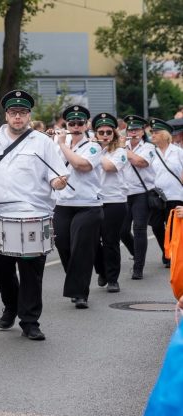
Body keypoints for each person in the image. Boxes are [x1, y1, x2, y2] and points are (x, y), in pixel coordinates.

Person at [0, 89, 68, 340]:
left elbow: (56, 176)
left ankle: (30, 321)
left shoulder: (42, 142)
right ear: (6, 115)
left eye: (23, 112)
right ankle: (11, 304)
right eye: (14, 112)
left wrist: (58, 182)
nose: (18, 117)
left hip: (32, 212)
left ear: (29, 115)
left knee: (31, 269)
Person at [53, 105, 103, 309]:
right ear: (66, 124)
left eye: (79, 123)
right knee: (63, 245)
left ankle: (80, 292)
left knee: (80, 248)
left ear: (86, 124)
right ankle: (75, 282)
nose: (75, 126)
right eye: (71, 123)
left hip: (88, 205)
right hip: (63, 203)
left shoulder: (93, 146)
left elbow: (82, 165)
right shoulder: (55, 146)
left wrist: (63, 145)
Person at [89, 113, 128, 294]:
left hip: (114, 201)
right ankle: (102, 271)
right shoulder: (88, 148)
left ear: (114, 134)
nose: (105, 135)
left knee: (111, 241)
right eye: (101, 132)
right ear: (95, 134)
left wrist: (96, 150)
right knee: (93, 241)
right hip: (94, 201)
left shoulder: (120, 152)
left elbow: (109, 167)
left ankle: (113, 279)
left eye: (108, 132)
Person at [120, 115, 156, 279]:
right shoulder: (121, 145)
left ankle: (138, 267)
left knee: (139, 228)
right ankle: (136, 253)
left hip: (142, 193)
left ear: (142, 131)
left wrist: (122, 149)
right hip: (123, 194)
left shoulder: (148, 147)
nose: (133, 133)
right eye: (131, 129)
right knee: (122, 231)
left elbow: (140, 162)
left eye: (136, 130)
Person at [148, 118, 183, 267]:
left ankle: (171, 254)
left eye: (155, 132)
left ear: (164, 134)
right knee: (156, 225)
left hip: (175, 194)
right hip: (157, 197)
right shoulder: (150, 152)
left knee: (173, 227)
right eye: (152, 132)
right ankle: (166, 249)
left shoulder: (178, 152)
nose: (152, 135)